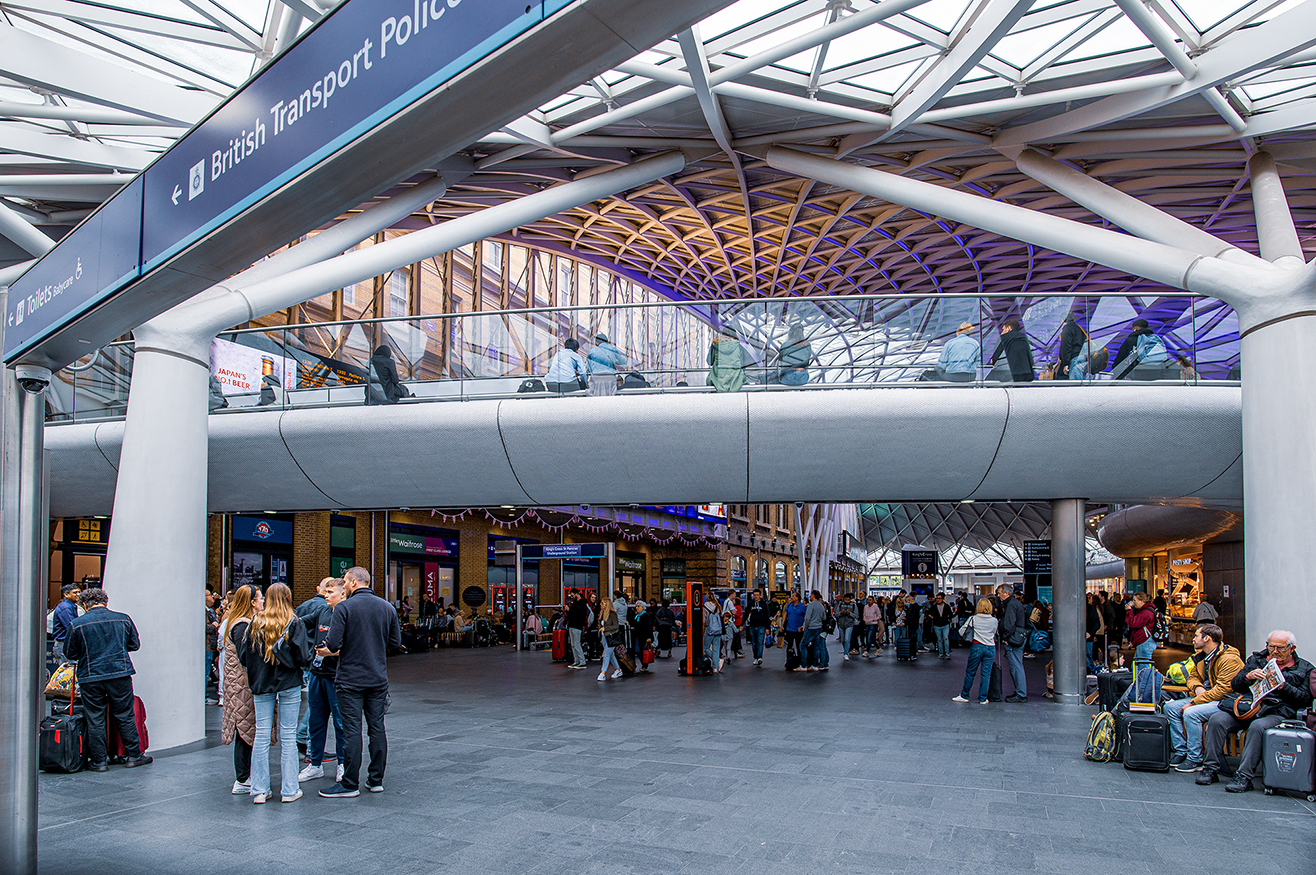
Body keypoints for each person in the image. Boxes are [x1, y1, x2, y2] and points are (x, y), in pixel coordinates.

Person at [317, 567, 401, 798]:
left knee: (352, 729)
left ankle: (349, 783)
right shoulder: (387, 607)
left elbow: (333, 644)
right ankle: (376, 780)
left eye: (345, 582)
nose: (343, 586)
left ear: (354, 582)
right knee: (377, 728)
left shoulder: (344, 607)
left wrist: (329, 649)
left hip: (350, 679)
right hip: (377, 677)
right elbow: (395, 641)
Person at [1198, 630, 1314, 792]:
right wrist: (1248, 677)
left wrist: (1283, 686)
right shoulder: (1256, 660)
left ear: (1291, 648)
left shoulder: (1304, 668)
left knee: (1258, 727)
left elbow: (1305, 699)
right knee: (1218, 719)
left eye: (1280, 648)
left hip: (1277, 712)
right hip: (1248, 708)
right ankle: (1210, 768)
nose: (1274, 651)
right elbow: (1235, 685)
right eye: (1270, 646)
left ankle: (1244, 776)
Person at [62, 588, 151, 771]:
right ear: (105, 601)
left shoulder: (77, 623)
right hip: (119, 672)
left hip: (90, 675)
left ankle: (99, 761)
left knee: (95, 717)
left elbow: (70, 653)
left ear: (85, 604)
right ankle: (134, 755)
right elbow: (134, 645)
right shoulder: (123, 619)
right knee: (125, 714)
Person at [237, 582, 310, 804]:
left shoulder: (255, 623)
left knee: (261, 734)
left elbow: (243, 657)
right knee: (288, 736)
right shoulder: (294, 622)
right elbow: (303, 658)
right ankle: (289, 790)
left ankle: (259, 790)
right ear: (287, 598)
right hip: (288, 683)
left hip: (261, 683)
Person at [1165, 624, 1245, 772]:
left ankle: (1195, 758)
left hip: (1225, 701)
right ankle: (1181, 750)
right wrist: (1197, 687)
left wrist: (1194, 702)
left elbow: (1223, 690)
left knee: (1191, 713)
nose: (1193, 639)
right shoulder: (1201, 656)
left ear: (1207, 638)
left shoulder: (1229, 659)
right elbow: (1192, 677)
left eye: (1196, 636)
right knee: (1170, 708)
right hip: (1206, 697)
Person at [300, 578, 347, 785]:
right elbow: (300, 622)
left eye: (330, 591)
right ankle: (315, 764)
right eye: (325, 591)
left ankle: (342, 765)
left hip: (337, 677)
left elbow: (354, 644)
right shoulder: (322, 611)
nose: (325, 595)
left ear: (342, 593)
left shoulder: (348, 614)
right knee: (316, 721)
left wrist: (334, 652)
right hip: (317, 674)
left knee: (340, 722)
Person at [220, 585, 260, 793]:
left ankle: (245, 776)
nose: (263, 601)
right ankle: (243, 778)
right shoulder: (242, 625)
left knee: (244, 729)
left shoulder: (236, 623)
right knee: (244, 731)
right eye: (260, 598)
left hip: (238, 684)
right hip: (242, 686)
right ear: (252, 602)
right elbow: (246, 657)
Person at [953, 599, 999, 704]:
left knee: (970, 672)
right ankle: (983, 698)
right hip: (990, 647)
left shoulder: (973, 619)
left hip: (977, 646)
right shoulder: (994, 620)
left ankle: (965, 695)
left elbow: (961, 631)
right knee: (986, 674)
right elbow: (994, 633)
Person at [997, 584, 1028, 702]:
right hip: (1019, 636)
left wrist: (1006, 637)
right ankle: (1020, 691)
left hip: (1013, 639)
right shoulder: (1015, 603)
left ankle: (1021, 693)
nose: (999, 595)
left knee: (1015, 666)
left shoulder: (1010, 605)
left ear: (1006, 593)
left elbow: (1009, 624)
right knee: (1017, 664)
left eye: (1000, 593)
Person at [707, 327, 747, 393]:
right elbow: (743, 364)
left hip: (718, 380)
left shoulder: (716, 344)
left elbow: (709, 361)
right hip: (736, 381)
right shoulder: (739, 346)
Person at [51, 583, 81, 665]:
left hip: (65, 643)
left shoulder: (70, 606)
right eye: (75, 592)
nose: (78, 595)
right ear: (66, 594)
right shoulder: (66, 607)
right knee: (67, 670)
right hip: (64, 644)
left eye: (79, 592)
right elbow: (71, 626)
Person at [745, 588, 776, 665]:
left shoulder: (764, 604)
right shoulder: (750, 604)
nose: (756, 597)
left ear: (760, 595)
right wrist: (742, 624)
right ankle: (755, 657)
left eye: (757, 595)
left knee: (760, 642)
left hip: (761, 626)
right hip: (752, 625)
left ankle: (759, 657)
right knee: (754, 643)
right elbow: (745, 614)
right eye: (754, 595)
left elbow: (767, 616)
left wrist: (767, 628)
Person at [1126, 592, 1158, 662]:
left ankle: (1152, 673)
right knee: (1137, 665)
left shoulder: (1145, 612)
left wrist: (1129, 611)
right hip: (1144, 642)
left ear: (1142, 601)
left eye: (1135, 600)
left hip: (1145, 642)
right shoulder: (1145, 611)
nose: (1133, 602)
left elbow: (1133, 623)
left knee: (1142, 667)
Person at [597, 598, 622, 681]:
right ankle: (618, 669)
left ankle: (603, 672)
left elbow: (616, 626)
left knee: (606, 654)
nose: (601, 604)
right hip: (604, 637)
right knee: (611, 655)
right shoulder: (602, 614)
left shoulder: (612, 614)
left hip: (611, 637)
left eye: (603, 603)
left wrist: (605, 628)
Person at [1056, 312, 1085, 380]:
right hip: (1082, 357)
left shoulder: (1067, 329)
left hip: (1074, 360)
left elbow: (1066, 347)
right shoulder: (1079, 329)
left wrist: (1066, 363)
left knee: (1075, 387)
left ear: (1062, 320)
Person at [565, 591, 589, 669]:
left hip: (577, 625)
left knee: (576, 644)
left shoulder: (582, 603)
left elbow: (581, 614)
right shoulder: (575, 603)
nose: (571, 597)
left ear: (577, 594)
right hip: (572, 625)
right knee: (573, 644)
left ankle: (582, 661)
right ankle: (577, 660)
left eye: (572, 595)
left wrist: (569, 610)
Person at [702, 592, 724, 672]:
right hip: (718, 630)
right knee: (716, 649)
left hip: (709, 629)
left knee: (706, 648)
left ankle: (717, 660)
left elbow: (704, 620)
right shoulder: (718, 606)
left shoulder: (705, 606)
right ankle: (715, 667)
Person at [783, 591, 806, 666]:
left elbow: (806, 617)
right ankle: (789, 660)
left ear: (797, 598)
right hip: (789, 629)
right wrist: (782, 625)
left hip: (798, 630)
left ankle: (801, 661)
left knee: (799, 645)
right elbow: (785, 615)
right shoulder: (789, 605)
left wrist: (802, 626)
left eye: (793, 596)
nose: (791, 597)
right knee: (789, 646)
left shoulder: (802, 607)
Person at [928, 593, 953, 660]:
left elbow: (951, 614)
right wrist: (934, 618)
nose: (938, 600)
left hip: (945, 624)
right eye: (937, 598)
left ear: (943, 599)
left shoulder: (947, 606)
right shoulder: (934, 607)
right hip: (937, 625)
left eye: (939, 598)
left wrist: (949, 619)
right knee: (939, 639)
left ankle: (946, 653)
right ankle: (941, 653)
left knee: (945, 638)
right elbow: (929, 613)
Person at [631, 601, 654, 672]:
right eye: (636, 606)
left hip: (644, 636)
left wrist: (649, 637)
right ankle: (644, 663)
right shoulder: (637, 616)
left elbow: (649, 627)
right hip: (638, 636)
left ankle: (645, 664)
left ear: (642, 607)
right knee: (638, 650)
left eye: (638, 606)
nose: (636, 608)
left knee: (642, 650)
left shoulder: (645, 616)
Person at [834, 593, 856, 661]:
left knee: (847, 639)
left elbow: (856, 615)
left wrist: (850, 613)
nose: (847, 601)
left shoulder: (853, 605)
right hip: (841, 624)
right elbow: (836, 614)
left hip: (849, 624)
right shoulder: (840, 605)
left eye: (848, 600)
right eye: (845, 600)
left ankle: (846, 653)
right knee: (843, 640)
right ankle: (846, 650)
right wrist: (841, 613)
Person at [902, 596, 921, 662]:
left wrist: (906, 620)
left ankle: (912, 654)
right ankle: (912, 654)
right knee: (913, 639)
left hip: (912, 625)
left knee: (912, 640)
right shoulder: (915, 607)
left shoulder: (913, 608)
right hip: (913, 625)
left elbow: (912, 617)